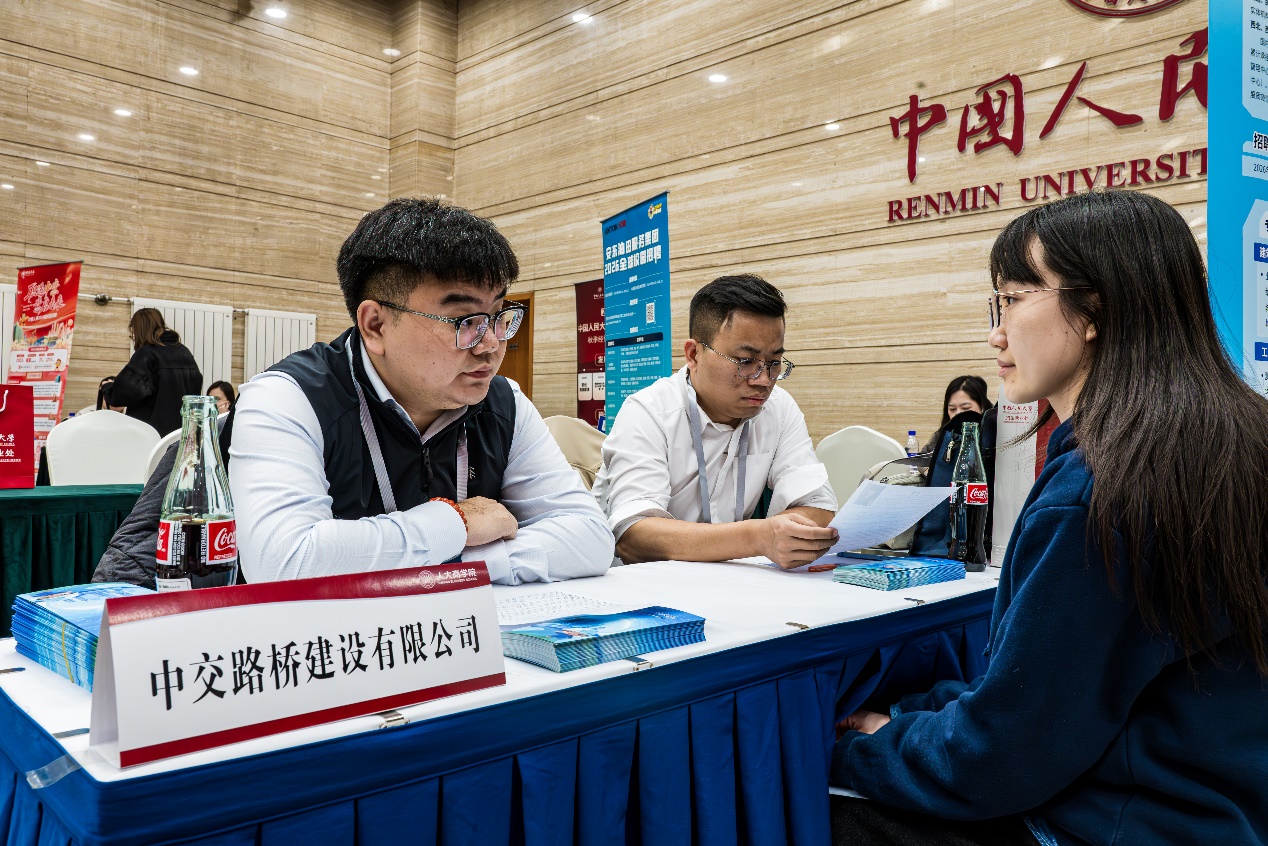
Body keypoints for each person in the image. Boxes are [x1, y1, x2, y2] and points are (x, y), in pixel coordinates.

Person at [830, 191, 1268, 845]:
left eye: (1011, 300)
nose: (996, 333)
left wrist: (852, 751)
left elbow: (1000, 758)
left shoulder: (1100, 490)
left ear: (1094, 310)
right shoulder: (1236, 439)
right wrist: (908, 718)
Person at [229, 197, 613, 584]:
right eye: (465, 321)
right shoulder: (290, 398)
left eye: (498, 316)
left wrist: (457, 562)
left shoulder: (503, 402)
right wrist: (457, 522)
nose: (490, 345)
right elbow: (284, 563)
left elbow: (591, 539)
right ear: (375, 325)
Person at [594, 274, 838, 568]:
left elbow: (819, 506)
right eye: (745, 362)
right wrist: (757, 538)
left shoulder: (778, 408)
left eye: (774, 363)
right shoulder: (648, 412)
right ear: (693, 354)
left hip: (730, 579)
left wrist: (780, 535)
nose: (763, 380)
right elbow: (634, 537)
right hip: (642, 583)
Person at [103, 308, 202, 435]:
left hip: (151, 434)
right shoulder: (184, 353)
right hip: (182, 434)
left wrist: (107, 387)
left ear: (138, 331)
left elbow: (122, 394)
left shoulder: (147, 354)